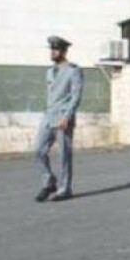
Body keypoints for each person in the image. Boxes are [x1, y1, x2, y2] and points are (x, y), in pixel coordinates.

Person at [33, 36, 83, 203]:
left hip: (63, 118)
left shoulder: (73, 71)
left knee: (63, 155)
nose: (53, 52)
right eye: (52, 49)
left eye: (56, 49)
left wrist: (67, 116)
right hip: (48, 117)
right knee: (38, 150)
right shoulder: (49, 71)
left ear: (63, 51)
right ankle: (49, 182)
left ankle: (65, 189)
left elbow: (75, 96)